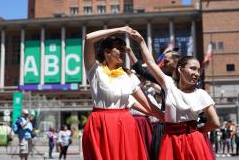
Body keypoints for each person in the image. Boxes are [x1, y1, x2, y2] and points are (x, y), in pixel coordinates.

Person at [130, 30, 220, 160]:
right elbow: (150, 63)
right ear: (180, 69)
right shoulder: (169, 84)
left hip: (187, 139)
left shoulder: (201, 93)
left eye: (199, 70)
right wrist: (141, 42)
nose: (197, 73)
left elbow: (215, 123)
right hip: (174, 139)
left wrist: (199, 131)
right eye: (193, 68)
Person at [82, 26, 164, 160]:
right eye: (118, 48)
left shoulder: (129, 76)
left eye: (123, 49)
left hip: (125, 124)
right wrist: (119, 29)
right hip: (101, 124)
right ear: (107, 51)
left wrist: (168, 118)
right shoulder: (95, 70)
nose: (122, 52)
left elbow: (148, 106)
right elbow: (88, 39)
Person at [126, 45, 180, 160]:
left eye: (166, 61)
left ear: (177, 63)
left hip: (181, 128)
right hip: (164, 126)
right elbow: (142, 71)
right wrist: (130, 51)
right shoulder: (165, 80)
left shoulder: (188, 83)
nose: (163, 63)